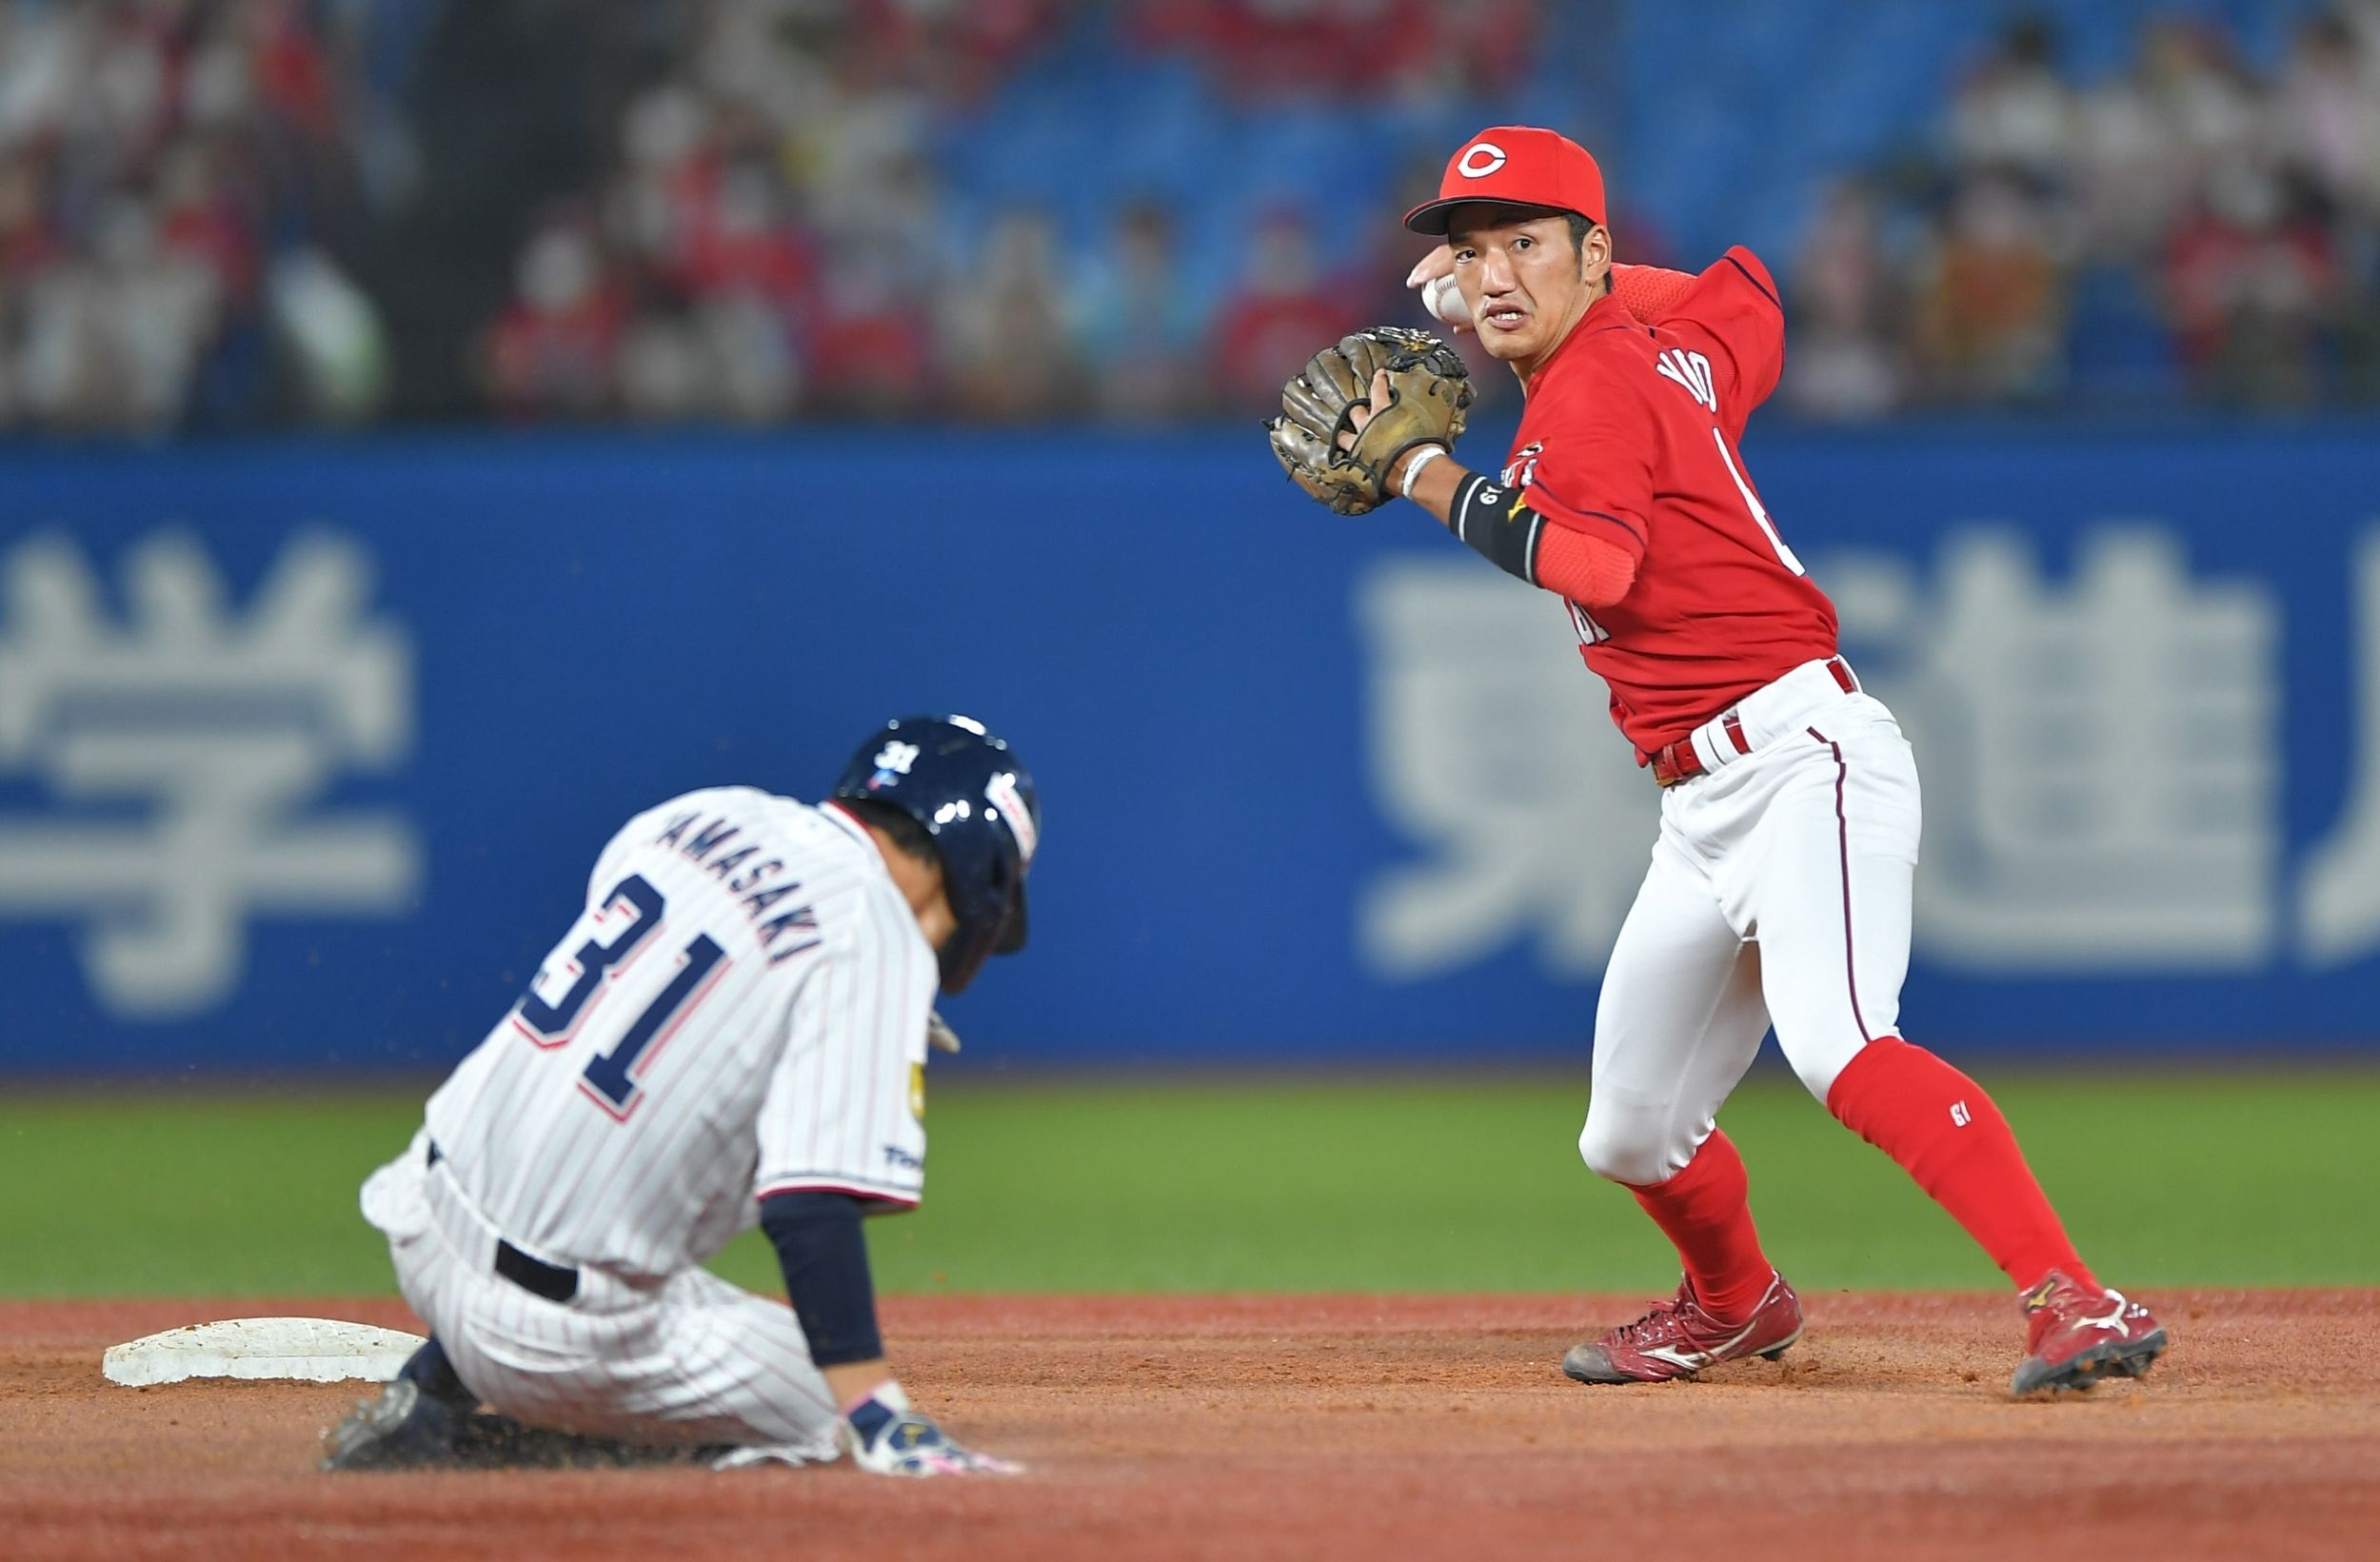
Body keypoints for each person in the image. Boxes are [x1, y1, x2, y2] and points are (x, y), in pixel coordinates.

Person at [1310, 126, 2169, 1394]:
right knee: (1631, 1128)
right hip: (1703, 804)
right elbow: (1751, 295)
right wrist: (1585, 284)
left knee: (1841, 1045)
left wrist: (1424, 472)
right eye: (1472, 252)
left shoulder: (1594, 386)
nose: (1492, 275)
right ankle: (1735, 1304)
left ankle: (2075, 1298)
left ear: (1593, 252)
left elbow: (1593, 564)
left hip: (1802, 759)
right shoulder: (1670, 347)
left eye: (1526, 244)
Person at [321, 715, 1040, 1473]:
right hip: (551, 1337)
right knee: (816, 1407)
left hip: (418, 1220)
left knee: (614, 1149)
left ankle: (432, 1387)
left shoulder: (707, 812)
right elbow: (808, 1206)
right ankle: (501, 1460)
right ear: (978, 871)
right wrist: (872, 1410)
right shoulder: (876, 934)